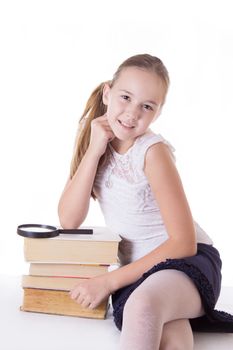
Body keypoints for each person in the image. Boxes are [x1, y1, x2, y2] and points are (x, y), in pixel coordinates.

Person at [58, 54, 233, 349]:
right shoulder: (96, 145)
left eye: (147, 106)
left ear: (158, 113)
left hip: (186, 263)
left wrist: (107, 282)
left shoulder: (152, 152)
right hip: (140, 274)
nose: (132, 113)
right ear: (107, 93)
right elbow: (69, 219)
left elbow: (183, 244)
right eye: (125, 97)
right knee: (171, 334)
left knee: (143, 306)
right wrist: (94, 149)